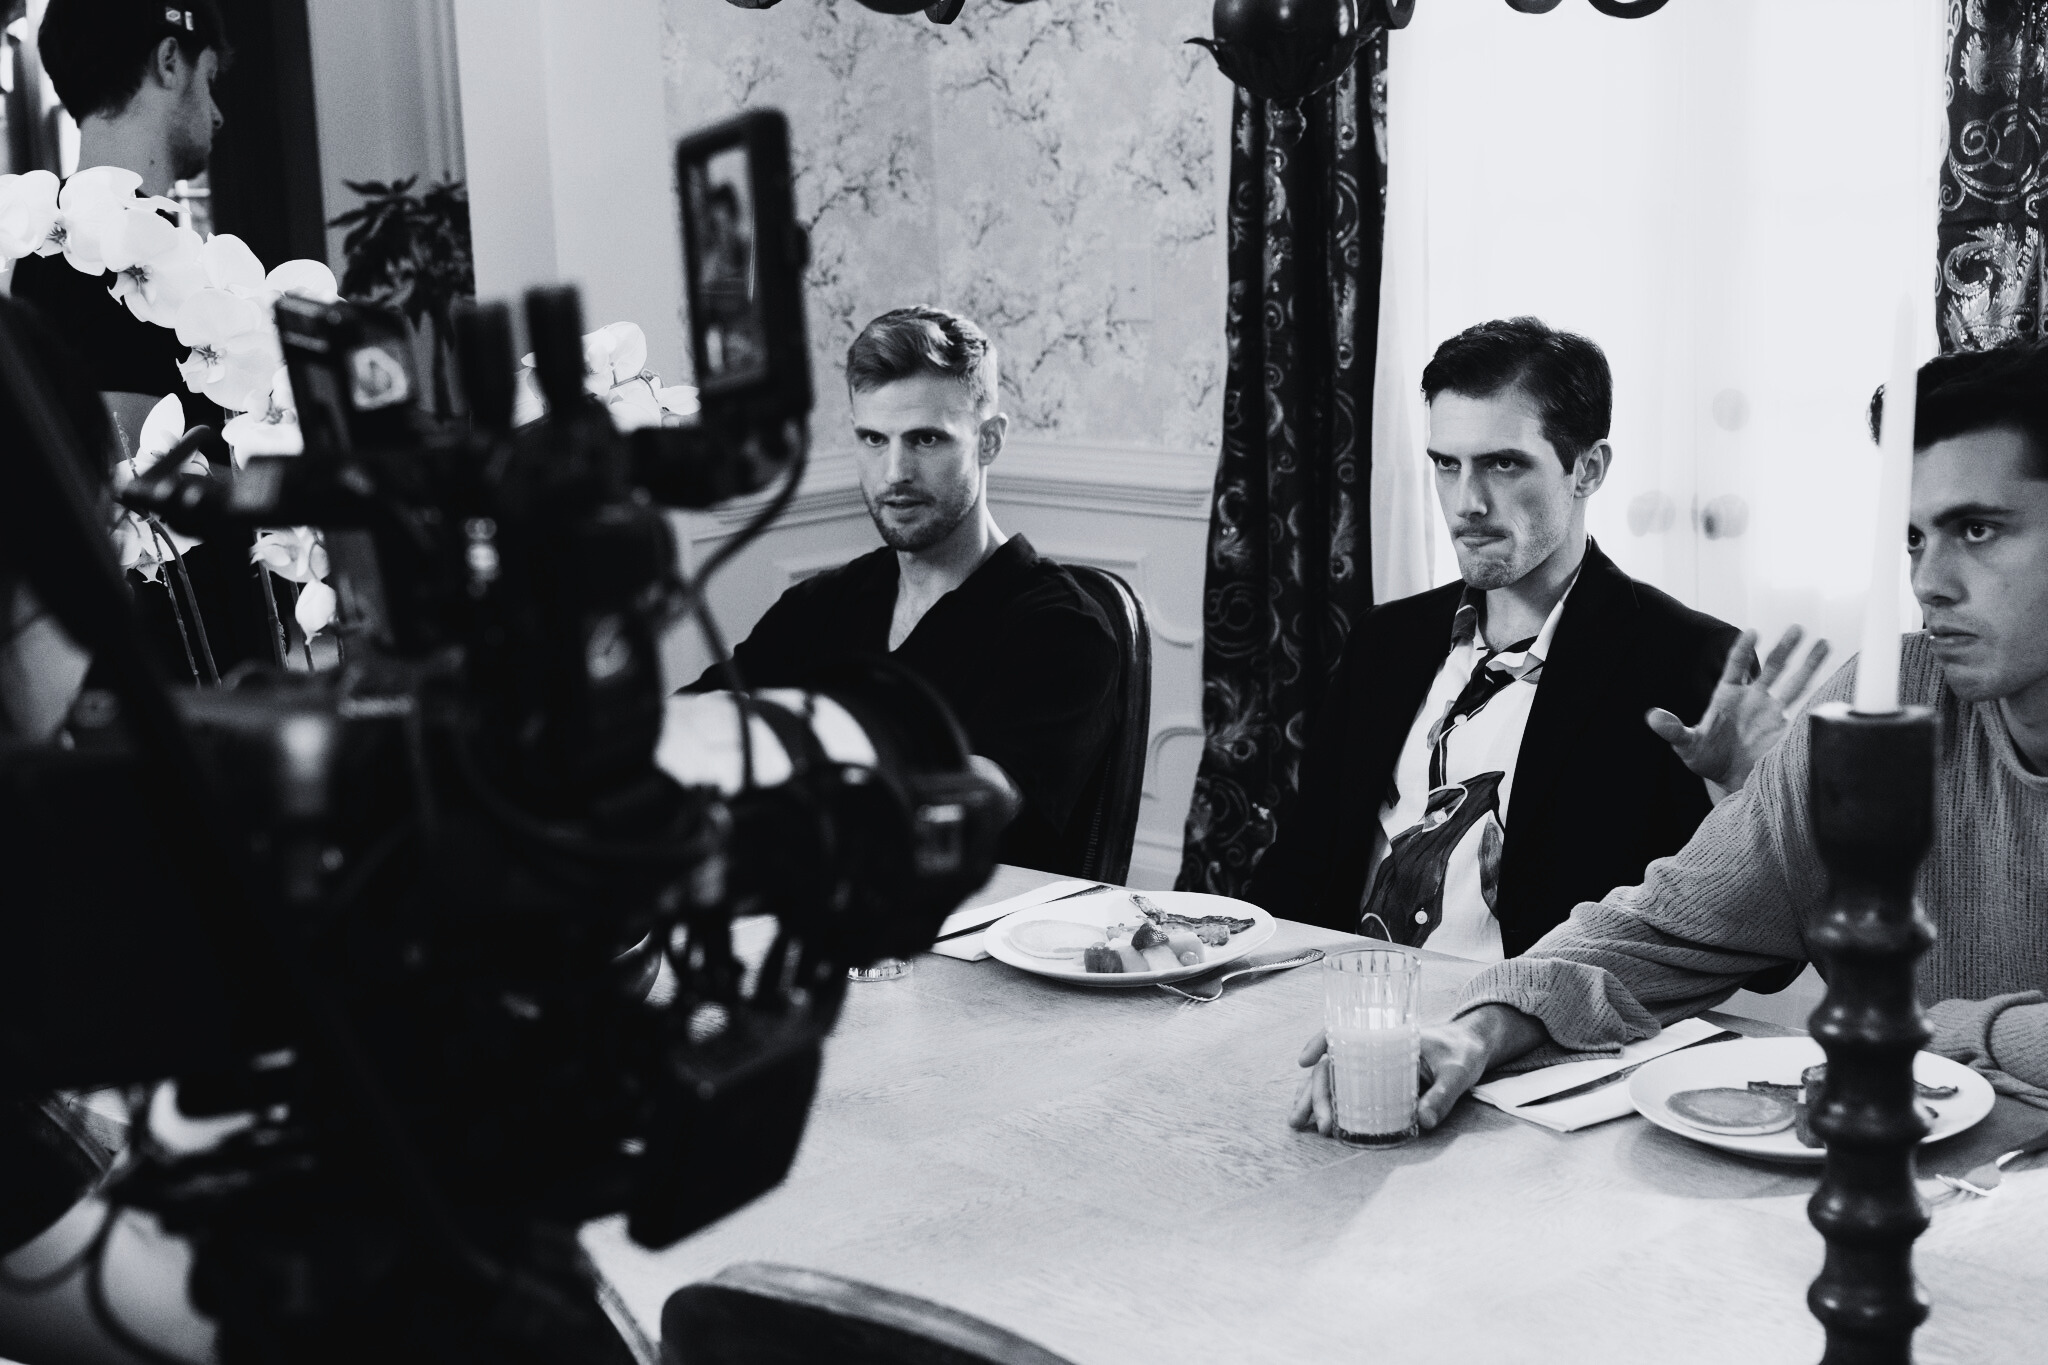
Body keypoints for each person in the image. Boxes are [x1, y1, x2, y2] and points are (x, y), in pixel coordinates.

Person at [1291, 338, 2048, 1137]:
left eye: (1977, 530)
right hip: (1928, 1184)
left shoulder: (1682, 651)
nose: (1929, 581)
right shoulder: (1892, 695)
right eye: (1915, 539)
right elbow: (1664, 927)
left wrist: (1944, 1035)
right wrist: (1472, 1029)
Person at [1249, 317, 1828, 961]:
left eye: (1503, 464)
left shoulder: (1687, 662)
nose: (1467, 502)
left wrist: (1743, 798)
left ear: (1588, 469)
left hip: (1538, 1039)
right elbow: (1298, 870)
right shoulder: (1386, 639)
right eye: (1447, 464)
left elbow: (1762, 960)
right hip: (1349, 1012)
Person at [680, 306, 1120, 874]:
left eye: (927, 439)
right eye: (873, 438)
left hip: (974, 948)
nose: (894, 472)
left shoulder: (1063, 630)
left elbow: (963, 802)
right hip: (815, 926)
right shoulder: (821, 606)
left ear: (989, 441)